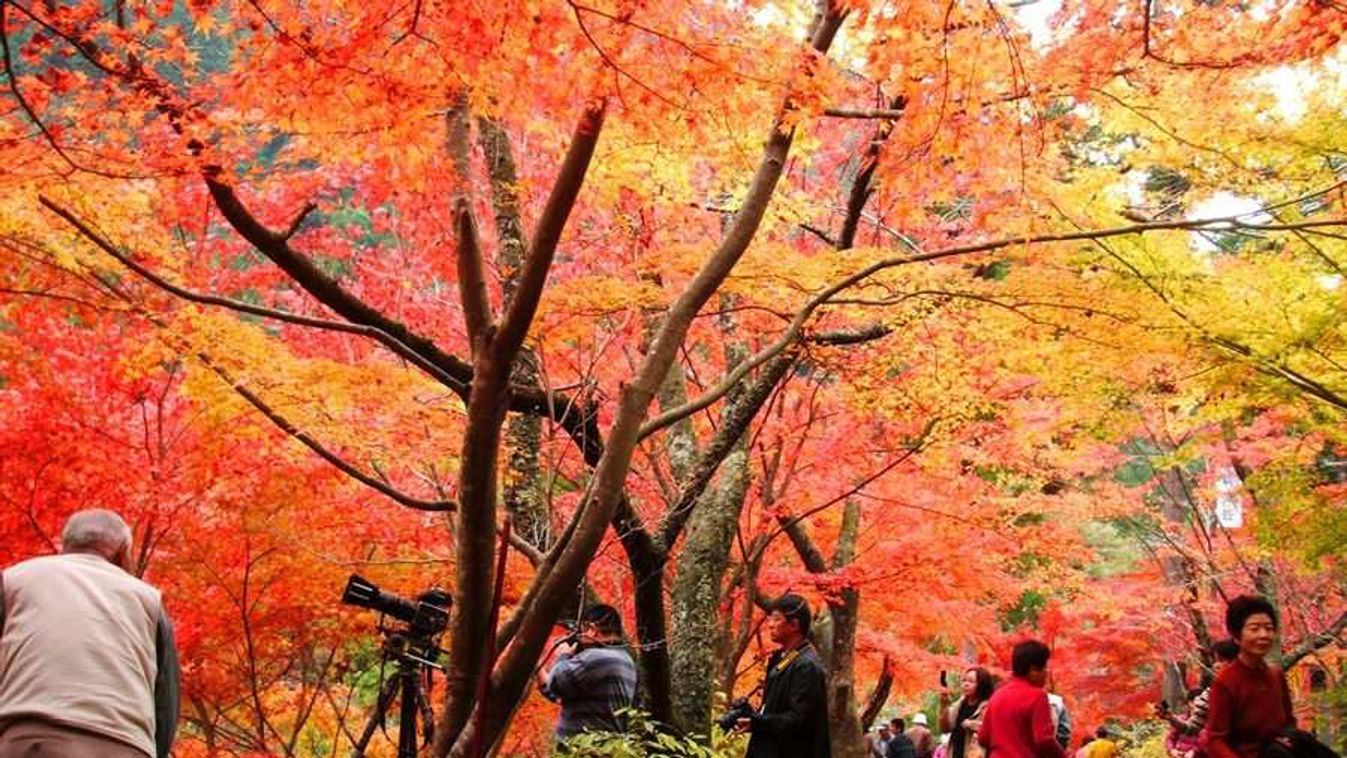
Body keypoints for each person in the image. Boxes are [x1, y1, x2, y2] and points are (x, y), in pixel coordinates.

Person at [0, 509, 179, 758]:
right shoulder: (148, 600)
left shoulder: (12, 580)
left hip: (31, 740)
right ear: (122, 552)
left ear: (66, 545)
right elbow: (165, 705)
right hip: (123, 745)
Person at [1205, 596, 1296, 758]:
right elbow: (1215, 740)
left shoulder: (1276, 675)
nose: (1264, 635)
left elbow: (1289, 723)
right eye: (1254, 629)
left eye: (1269, 628)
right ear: (1236, 637)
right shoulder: (1226, 682)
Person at [741, 594, 830, 758]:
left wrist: (759, 722)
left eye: (776, 619)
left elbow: (800, 720)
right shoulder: (783, 659)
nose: (770, 625)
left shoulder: (806, 666)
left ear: (794, 625)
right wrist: (755, 721)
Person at [539, 603, 638, 742]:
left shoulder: (596, 657)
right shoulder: (623, 658)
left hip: (585, 749)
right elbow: (557, 694)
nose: (579, 636)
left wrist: (563, 655)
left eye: (583, 629)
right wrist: (537, 668)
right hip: (602, 748)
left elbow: (556, 683)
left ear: (592, 629)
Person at [977, 639, 1065, 758]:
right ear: (1033, 670)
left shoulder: (997, 695)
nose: (1046, 673)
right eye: (1044, 668)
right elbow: (1043, 740)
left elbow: (983, 737)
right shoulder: (1037, 696)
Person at [1159, 639, 1240, 739]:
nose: (1216, 666)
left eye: (1221, 660)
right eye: (1215, 661)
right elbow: (1191, 728)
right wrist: (1171, 718)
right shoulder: (1208, 696)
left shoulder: (1259, 686)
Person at [940, 667, 995, 758]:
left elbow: (991, 730)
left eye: (971, 681)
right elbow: (945, 728)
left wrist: (971, 724)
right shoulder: (958, 705)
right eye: (964, 681)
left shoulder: (987, 707)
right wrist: (944, 703)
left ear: (982, 684)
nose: (965, 684)